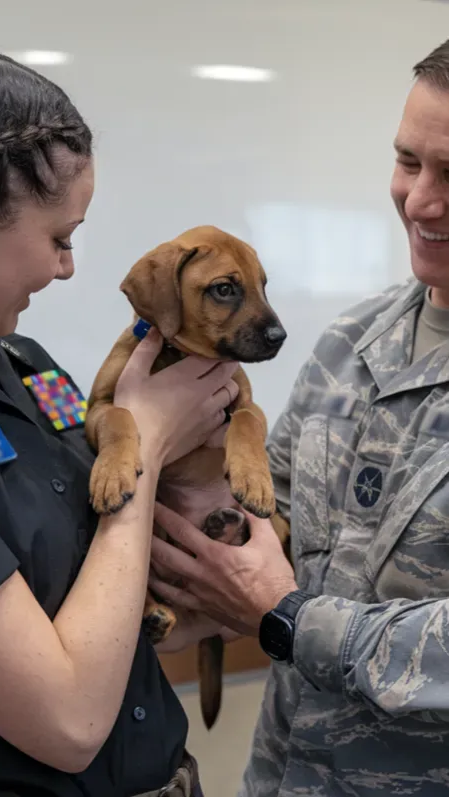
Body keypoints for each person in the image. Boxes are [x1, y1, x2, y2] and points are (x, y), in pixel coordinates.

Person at [0, 44, 240, 797]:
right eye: (59, 238)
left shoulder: (25, 365)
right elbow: (66, 719)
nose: (67, 268)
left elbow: (96, 596)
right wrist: (149, 441)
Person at [148, 37, 449, 797]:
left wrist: (286, 618)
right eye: (407, 162)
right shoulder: (351, 341)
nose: (418, 202)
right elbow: (258, 514)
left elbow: (276, 601)